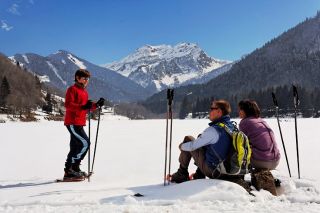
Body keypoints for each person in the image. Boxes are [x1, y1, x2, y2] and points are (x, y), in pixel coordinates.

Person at [170, 100, 235, 183]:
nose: (209, 111)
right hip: (227, 170)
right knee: (203, 141)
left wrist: (181, 146)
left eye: (212, 109)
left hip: (214, 171)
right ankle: (199, 174)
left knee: (188, 140)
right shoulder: (231, 126)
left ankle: (181, 173)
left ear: (219, 111)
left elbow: (192, 146)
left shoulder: (214, 130)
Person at [63, 69, 105, 180]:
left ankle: (70, 171)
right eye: (85, 78)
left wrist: (96, 105)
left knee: (75, 147)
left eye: (88, 79)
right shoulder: (72, 89)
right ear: (77, 78)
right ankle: (73, 168)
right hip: (72, 122)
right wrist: (83, 107)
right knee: (85, 143)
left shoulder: (84, 92)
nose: (87, 80)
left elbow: (85, 108)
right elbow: (68, 105)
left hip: (80, 122)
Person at [238, 99, 280, 195]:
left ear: (246, 111)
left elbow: (241, 144)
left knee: (237, 150)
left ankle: (238, 181)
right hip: (275, 160)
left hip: (262, 161)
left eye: (240, 109)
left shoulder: (245, 123)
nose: (239, 111)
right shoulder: (261, 121)